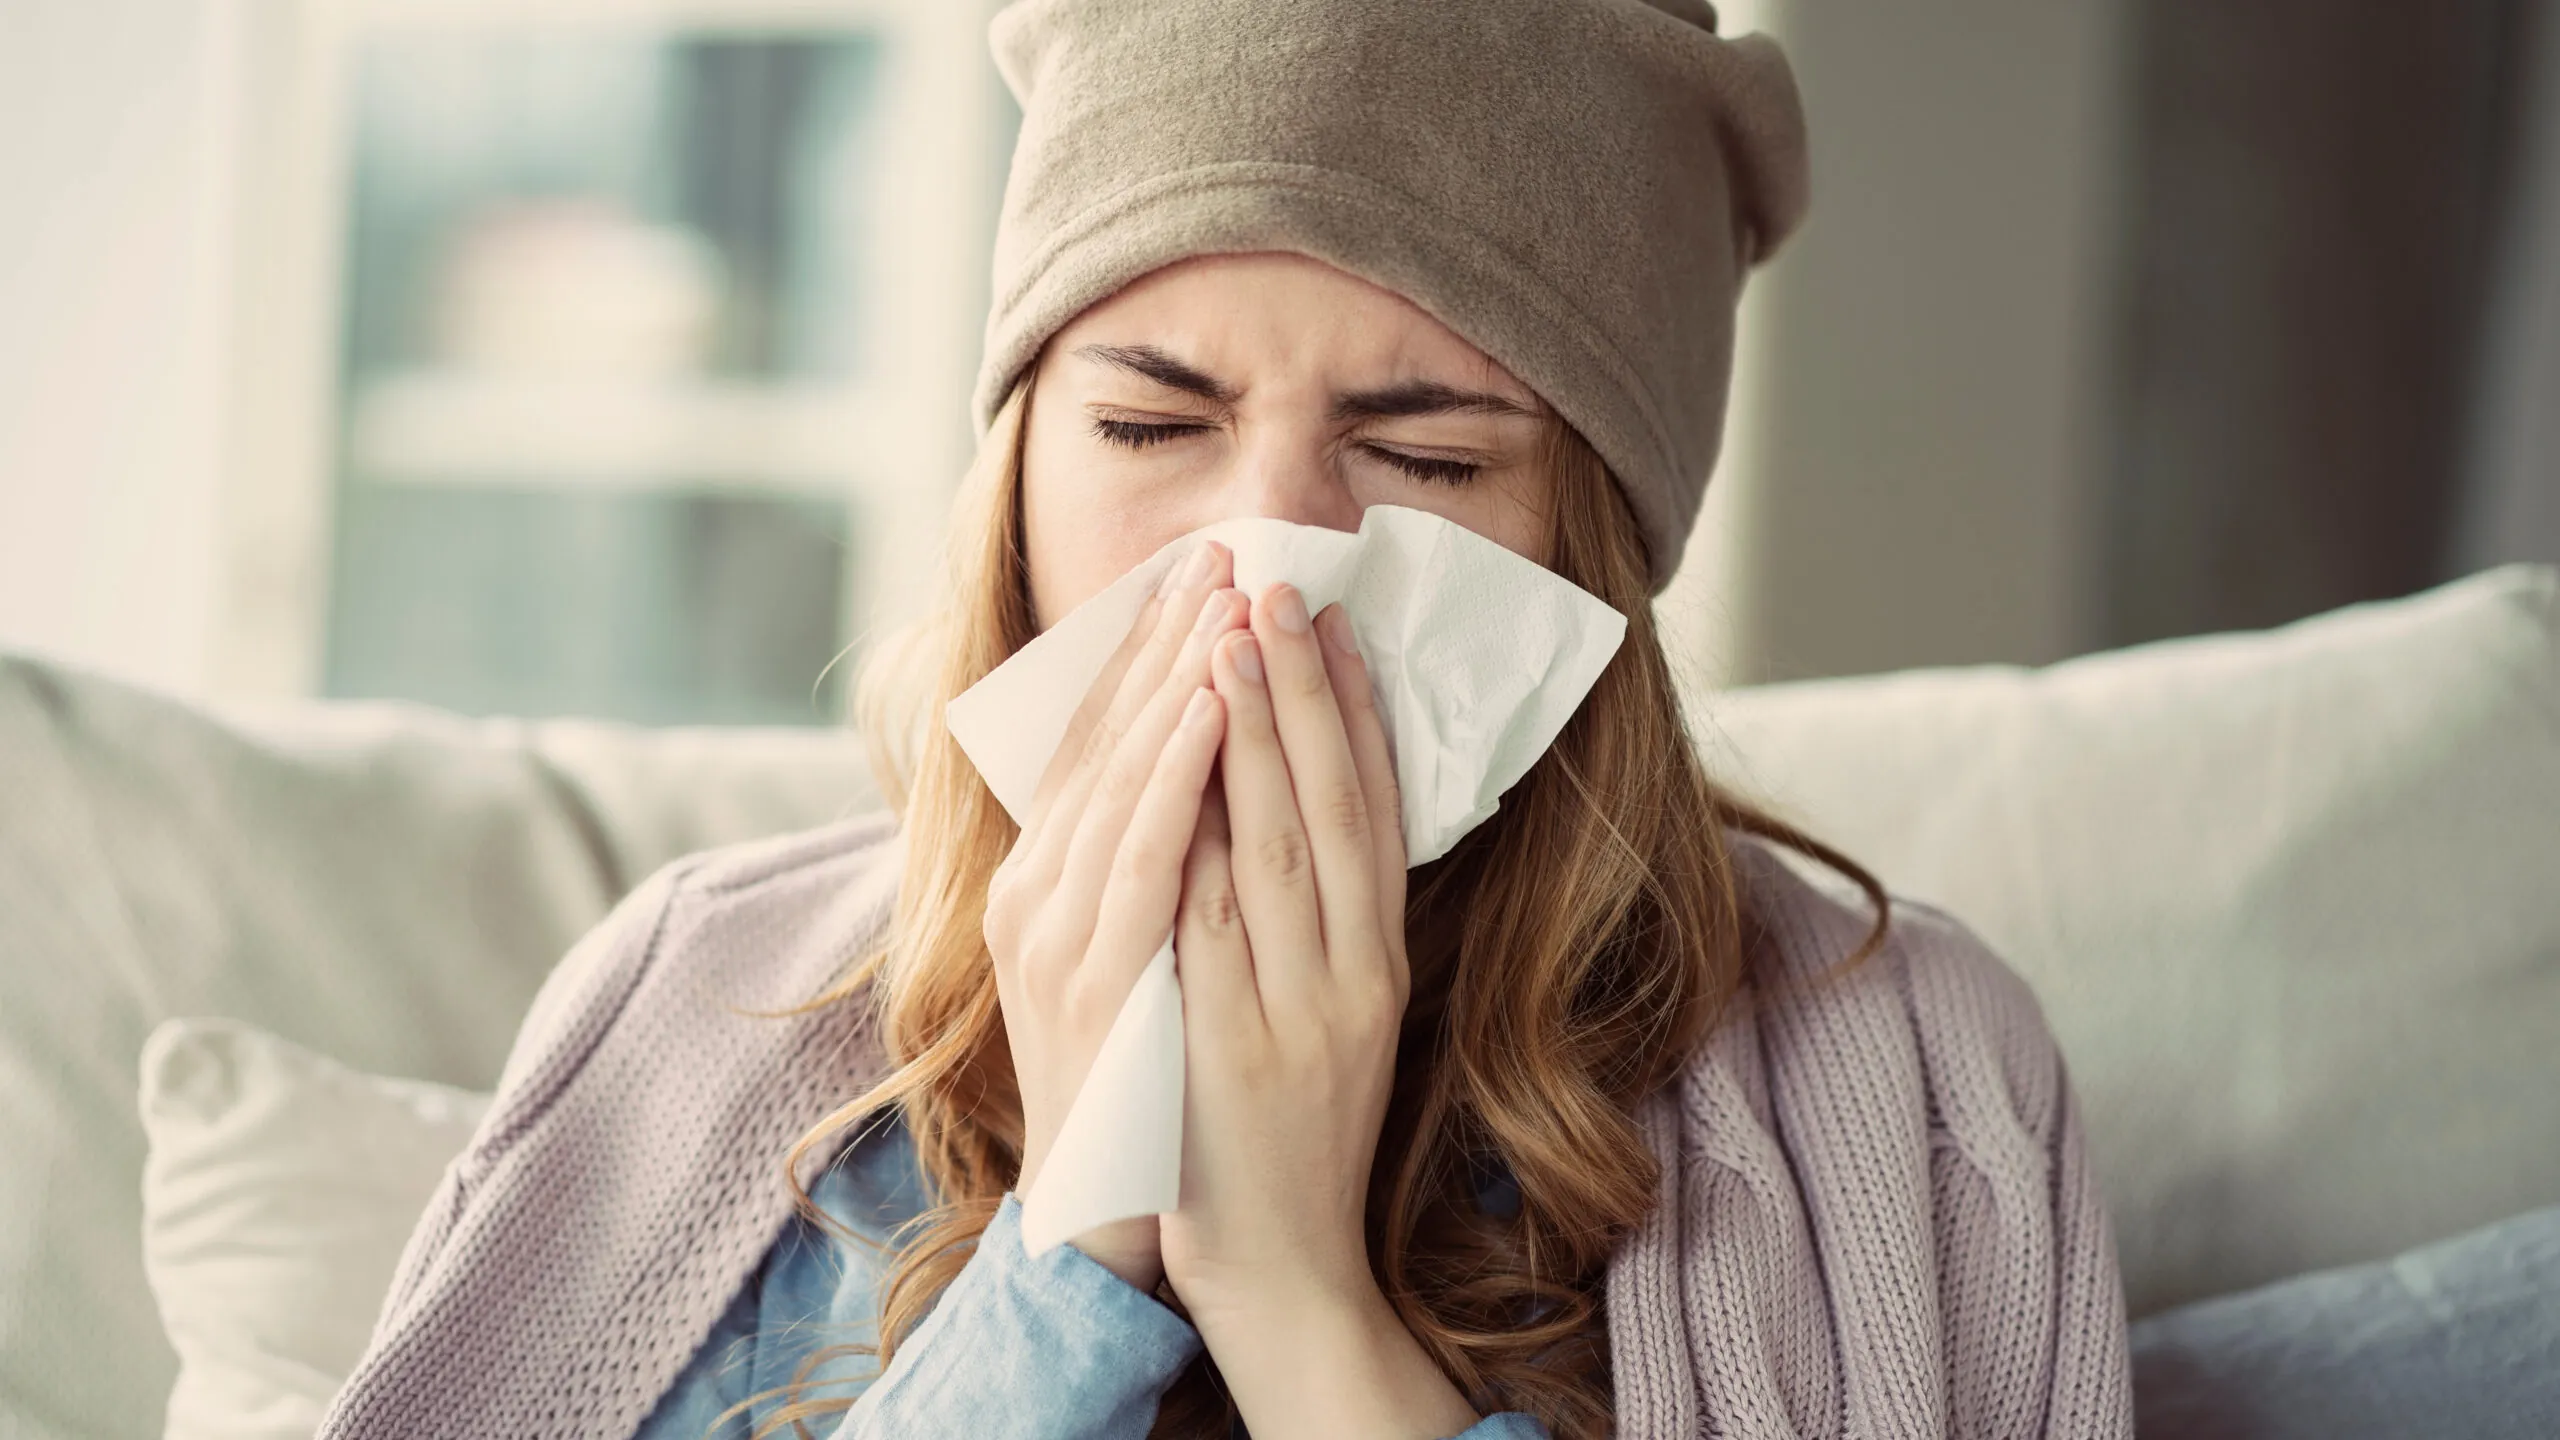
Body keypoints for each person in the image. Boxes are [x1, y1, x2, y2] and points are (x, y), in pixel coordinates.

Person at [319, 1, 2135, 1437]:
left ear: (1603, 561)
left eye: (1424, 456)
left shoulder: (1925, 1092)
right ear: (1016, 469)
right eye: (1147, 427)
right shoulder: (690, 1004)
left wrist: (1292, 1292)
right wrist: (1075, 1248)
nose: (1266, 573)